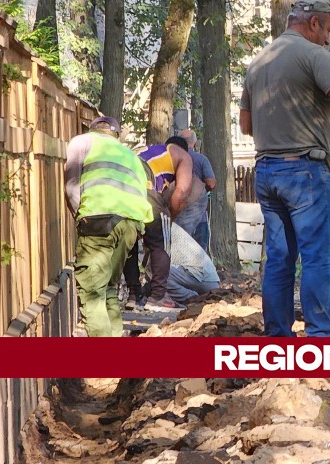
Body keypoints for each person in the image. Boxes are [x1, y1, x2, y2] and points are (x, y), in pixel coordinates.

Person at [239, 0, 330, 337]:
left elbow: (246, 125)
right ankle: (320, 339)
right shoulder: (312, 54)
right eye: (327, 29)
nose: (328, 39)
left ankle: (279, 340)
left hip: (267, 173)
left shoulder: (258, 61)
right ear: (314, 23)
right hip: (304, 173)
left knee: (279, 260)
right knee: (316, 257)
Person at [64, 116, 153, 336]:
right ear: (115, 134)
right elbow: (142, 191)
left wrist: (79, 216)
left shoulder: (82, 141)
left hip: (98, 220)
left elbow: (72, 187)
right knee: (109, 288)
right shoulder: (131, 155)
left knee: (93, 291)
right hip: (132, 222)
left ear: (93, 129)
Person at [122, 135, 195, 308]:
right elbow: (181, 193)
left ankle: (134, 295)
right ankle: (158, 297)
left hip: (120, 186)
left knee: (129, 240)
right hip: (144, 186)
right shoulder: (184, 156)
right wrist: (170, 220)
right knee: (162, 242)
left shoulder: (150, 151)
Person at [162, 221, 221, 305]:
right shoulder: (167, 224)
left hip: (202, 278)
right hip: (210, 280)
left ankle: (192, 298)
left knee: (160, 272)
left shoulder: (161, 230)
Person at [179, 128, 217, 250]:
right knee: (200, 253)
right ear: (195, 143)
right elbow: (211, 183)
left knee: (179, 252)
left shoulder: (172, 159)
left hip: (177, 215)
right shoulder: (201, 159)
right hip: (199, 216)